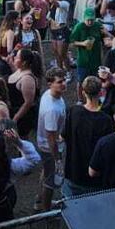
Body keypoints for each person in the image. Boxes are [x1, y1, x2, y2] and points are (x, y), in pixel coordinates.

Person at [61, 76, 115, 197]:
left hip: (74, 172)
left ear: (83, 92)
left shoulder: (73, 111)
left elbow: (63, 136)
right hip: (97, 177)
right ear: (101, 92)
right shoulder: (106, 120)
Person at [36, 67, 67, 211]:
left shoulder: (49, 95)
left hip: (47, 143)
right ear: (50, 84)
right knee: (51, 180)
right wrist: (57, 159)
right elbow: (51, 138)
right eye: (59, 82)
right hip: (49, 148)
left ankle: (40, 200)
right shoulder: (52, 110)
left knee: (46, 172)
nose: (64, 84)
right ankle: (46, 210)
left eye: (64, 80)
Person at [70, 8, 104, 91]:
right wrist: (82, 43)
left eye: (92, 20)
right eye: (88, 20)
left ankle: (94, 99)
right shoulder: (79, 27)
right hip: (83, 61)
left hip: (96, 61)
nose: (90, 22)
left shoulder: (98, 26)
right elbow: (71, 42)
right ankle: (80, 100)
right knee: (81, 81)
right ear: (84, 18)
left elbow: (105, 38)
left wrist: (106, 35)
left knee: (96, 82)